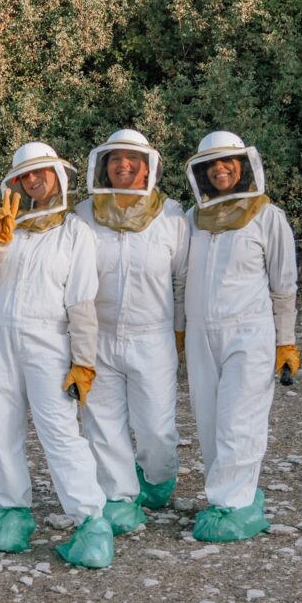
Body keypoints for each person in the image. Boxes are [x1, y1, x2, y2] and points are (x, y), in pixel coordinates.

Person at [0, 141, 114, 569]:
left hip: (49, 341)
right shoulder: (8, 222)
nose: (33, 180)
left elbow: (82, 301)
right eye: (25, 176)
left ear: (57, 176)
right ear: (16, 183)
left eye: (40, 173)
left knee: (60, 432)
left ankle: (91, 521)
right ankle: (12, 511)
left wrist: (83, 361)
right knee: (1, 426)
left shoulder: (75, 232)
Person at [183, 131, 299, 541]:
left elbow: (284, 288)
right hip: (200, 334)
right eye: (211, 164)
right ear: (201, 172)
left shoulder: (269, 216)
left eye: (227, 161)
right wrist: (180, 333)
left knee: (240, 420)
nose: (220, 169)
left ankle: (232, 503)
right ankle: (231, 494)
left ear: (244, 164)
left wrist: (286, 341)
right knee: (210, 420)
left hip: (250, 332)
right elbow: (180, 281)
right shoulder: (190, 219)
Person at [73, 130, 189, 535]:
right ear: (103, 166)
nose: (124, 165)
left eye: (133, 159)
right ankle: (118, 497)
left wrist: (180, 333)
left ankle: (157, 480)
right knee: (101, 425)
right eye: (115, 158)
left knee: (157, 428)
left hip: (153, 336)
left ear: (148, 169)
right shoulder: (84, 214)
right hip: (98, 336)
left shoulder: (173, 216)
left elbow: (182, 281)